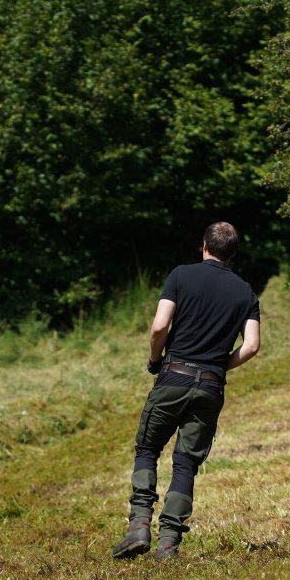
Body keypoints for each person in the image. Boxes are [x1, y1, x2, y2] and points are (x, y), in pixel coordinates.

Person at [111, 221, 260, 561]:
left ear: (204, 246)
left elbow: (160, 325)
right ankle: (168, 544)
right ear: (233, 253)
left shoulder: (181, 275)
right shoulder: (245, 292)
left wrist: (155, 359)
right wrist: (218, 365)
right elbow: (251, 346)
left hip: (173, 376)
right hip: (210, 385)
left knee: (148, 447)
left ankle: (138, 526)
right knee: (185, 463)